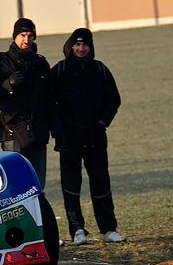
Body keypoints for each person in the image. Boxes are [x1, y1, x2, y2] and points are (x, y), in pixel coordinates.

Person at [50, 28, 124, 244]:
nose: (81, 49)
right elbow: (50, 105)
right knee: (71, 186)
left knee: (101, 182)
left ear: (90, 47)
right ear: (71, 46)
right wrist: (59, 131)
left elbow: (114, 99)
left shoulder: (99, 69)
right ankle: (77, 230)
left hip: (95, 138)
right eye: (77, 45)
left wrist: (102, 122)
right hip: (68, 140)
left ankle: (108, 228)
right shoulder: (60, 71)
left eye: (85, 45)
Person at [0, 18, 51, 187]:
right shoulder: (1, 62)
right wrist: (7, 84)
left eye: (30, 35)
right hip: (11, 130)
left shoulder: (40, 63)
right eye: (22, 35)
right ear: (15, 36)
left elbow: (49, 97)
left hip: (38, 131)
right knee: (17, 185)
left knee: (38, 185)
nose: (26, 40)